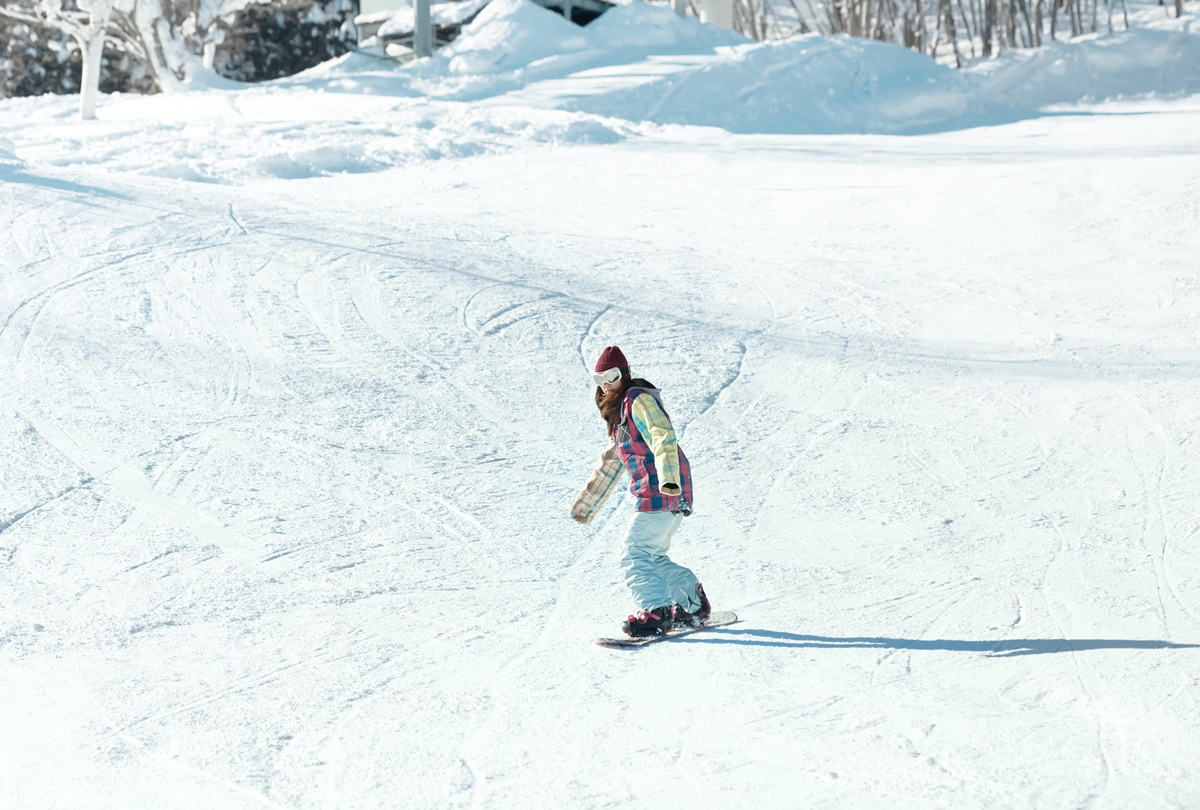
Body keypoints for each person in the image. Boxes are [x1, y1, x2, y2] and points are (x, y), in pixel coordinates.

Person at [570, 345, 711, 637]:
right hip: (666, 491)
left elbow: (663, 434)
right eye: (599, 379)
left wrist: (668, 479)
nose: (606, 384)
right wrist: (586, 505)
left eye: (611, 376)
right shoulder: (622, 417)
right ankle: (693, 604)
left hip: (663, 488)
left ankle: (656, 612)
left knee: (634, 552)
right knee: (652, 555)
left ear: (624, 374)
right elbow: (611, 465)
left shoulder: (638, 400)